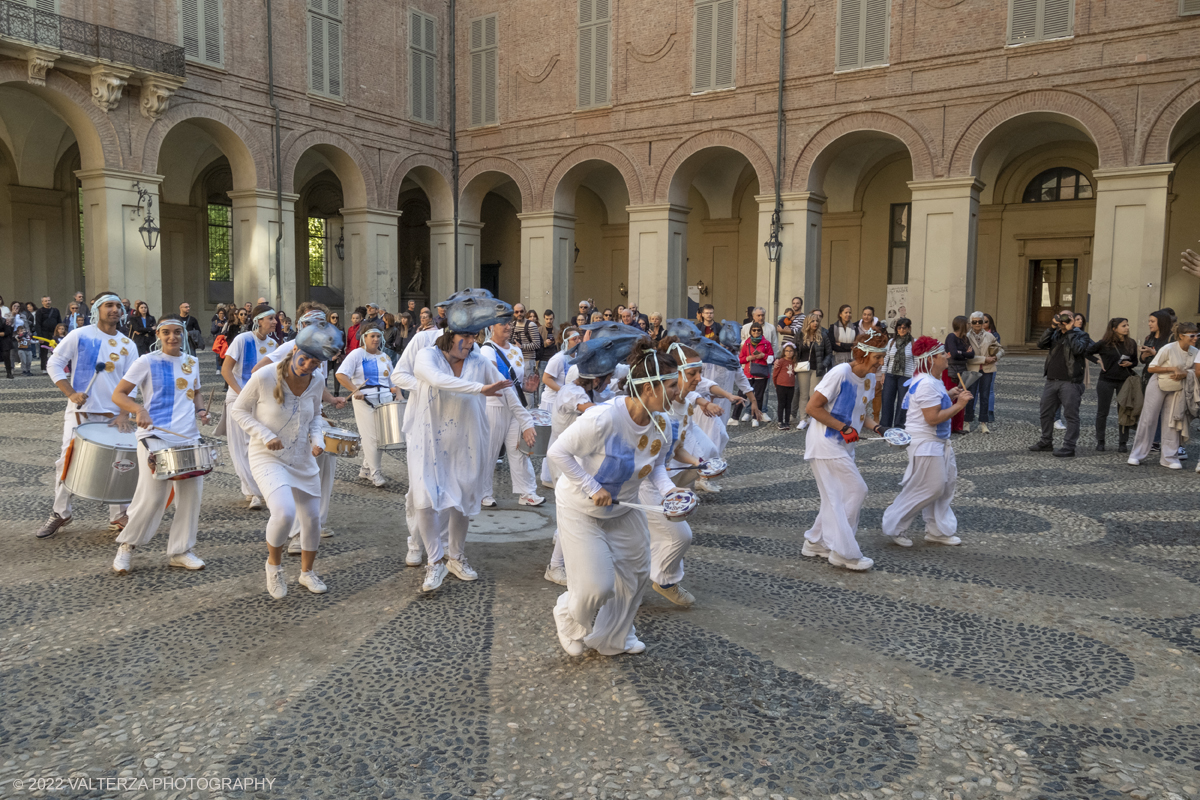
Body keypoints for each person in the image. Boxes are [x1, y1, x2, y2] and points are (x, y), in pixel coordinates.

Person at [548, 339, 692, 656]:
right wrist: (591, 486)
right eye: (670, 384)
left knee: (636, 576)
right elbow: (557, 451)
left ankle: (617, 634)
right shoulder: (603, 419)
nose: (677, 390)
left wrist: (670, 493)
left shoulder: (663, 423)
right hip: (580, 508)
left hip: (623, 510)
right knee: (595, 587)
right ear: (649, 388)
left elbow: (656, 468)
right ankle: (567, 616)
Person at [407, 302, 530, 593]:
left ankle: (456, 557)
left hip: (467, 440)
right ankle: (434, 562)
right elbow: (439, 380)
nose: (472, 342)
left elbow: (506, 387)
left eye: (475, 336)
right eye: (467, 336)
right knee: (424, 501)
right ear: (451, 335)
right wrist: (479, 389)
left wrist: (526, 421)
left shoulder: (479, 361)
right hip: (428, 440)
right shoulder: (427, 356)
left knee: (462, 501)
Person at [231, 322, 344, 599]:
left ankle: (307, 573)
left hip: (301, 457)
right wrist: (264, 433)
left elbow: (316, 415)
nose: (307, 365)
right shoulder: (265, 376)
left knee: (312, 520)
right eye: (303, 358)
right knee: (284, 512)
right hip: (267, 455)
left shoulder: (316, 381)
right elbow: (239, 410)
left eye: (314, 362)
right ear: (293, 350)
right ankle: (274, 567)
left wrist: (317, 440)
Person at [109, 317, 211, 573]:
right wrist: (138, 409)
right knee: (153, 497)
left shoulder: (191, 361)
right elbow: (119, 394)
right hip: (155, 436)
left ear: (183, 335)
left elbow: (196, 391)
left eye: (177, 332)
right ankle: (126, 546)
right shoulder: (147, 361)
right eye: (166, 332)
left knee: (190, 497)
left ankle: (180, 550)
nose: (172, 337)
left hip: (188, 436)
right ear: (158, 335)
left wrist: (201, 411)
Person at [36, 293, 137, 538]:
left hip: (115, 415)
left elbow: (132, 381)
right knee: (67, 461)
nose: (114, 310)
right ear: (97, 310)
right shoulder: (80, 335)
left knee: (119, 463)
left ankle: (119, 514)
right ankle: (61, 512)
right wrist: (70, 393)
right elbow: (55, 363)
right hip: (81, 412)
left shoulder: (128, 344)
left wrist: (124, 412)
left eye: (117, 306)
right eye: (108, 306)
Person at [253, 303, 347, 550]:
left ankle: (313, 525)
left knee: (321, 470)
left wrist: (329, 399)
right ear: (303, 325)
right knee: (294, 478)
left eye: (323, 323)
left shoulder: (323, 349)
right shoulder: (291, 346)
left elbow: (315, 383)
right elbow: (258, 371)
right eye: (315, 323)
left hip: (313, 417)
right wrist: (279, 405)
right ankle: (295, 534)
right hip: (289, 424)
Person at [801, 330, 888, 571]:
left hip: (844, 444)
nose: (881, 362)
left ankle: (815, 542)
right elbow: (812, 407)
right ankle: (842, 552)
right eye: (877, 357)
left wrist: (879, 427)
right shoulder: (840, 373)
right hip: (826, 443)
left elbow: (860, 413)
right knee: (856, 490)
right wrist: (843, 428)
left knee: (835, 497)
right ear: (862, 354)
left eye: (883, 357)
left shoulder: (868, 378)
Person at [880, 336, 973, 548]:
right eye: (942, 354)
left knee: (946, 485)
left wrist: (948, 394)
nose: (947, 355)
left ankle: (938, 530)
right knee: (931, 487)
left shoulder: (931, 381)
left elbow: (932, 406)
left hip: (937, 441)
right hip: (926, 442)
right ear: (931, 359)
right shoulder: (927, 384)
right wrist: (959, 405)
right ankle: (894, 524)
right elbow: (932, 418)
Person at [220, 303, 278, 508]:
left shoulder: (273, 344)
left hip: (260, 400)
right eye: (270, 318)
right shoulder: (242, 339)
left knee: (258, 443)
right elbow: (226, 371)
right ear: (258, 320)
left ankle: (259, 486)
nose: (275, 321)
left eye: (274, 318)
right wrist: (242, 393)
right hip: (237, 399)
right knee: (240, 447)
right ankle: (252, 491)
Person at [481, 319, 542, 507]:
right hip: (494, 406)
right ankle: (483, 492)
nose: (508, 327)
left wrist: (527, 388)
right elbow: (496, 379)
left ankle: (527, 493)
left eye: (509, 323)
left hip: (514, 408)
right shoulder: (486, 350)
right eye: (502, 324)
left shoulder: (516, 350)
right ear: (491, 326)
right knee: (490, 450)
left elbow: (515, 383)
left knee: (519, 450)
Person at [335, 322, 398, 487]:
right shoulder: (356, 354)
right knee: (371, 437)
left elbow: (393, 380)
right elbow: (341, 375)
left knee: (383, 437)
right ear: (364, 337)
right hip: (365, 400)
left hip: (385, 399)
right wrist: (355, 390)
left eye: (378, 336)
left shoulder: (385, 356)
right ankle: (375, 473)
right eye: (372, 336)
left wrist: (397, 394)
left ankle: (365, 469)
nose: (376, 339)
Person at [1127, 322, 1198, 469]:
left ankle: (1169, 457)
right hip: (1158, 383)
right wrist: (1173, 368)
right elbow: (1152, 368)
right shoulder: (1169, 348)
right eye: (1192, 335)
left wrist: (1185, 373)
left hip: (1178, 387)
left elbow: (1193, 371)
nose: (1195, 338)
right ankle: (1136, 454)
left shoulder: (1195, 351)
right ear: (1181, 336)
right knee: (1149, 418)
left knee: (1172, 420)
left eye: (1197, 335)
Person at [1029, 311, 1093, 458]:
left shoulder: (1081, 335)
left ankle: (1069, 446)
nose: (1063, 319)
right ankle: (1046, 441)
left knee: (1071, 415)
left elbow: (1078, 350)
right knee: (1045, 412)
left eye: (1067, 317)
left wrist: (1070, 330)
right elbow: (1040, 344)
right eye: (1060, 316)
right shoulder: (1055, 334)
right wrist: (1052, 327)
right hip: (1051, 381)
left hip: (1070, 382)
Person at [1088, 318, 1139, 453]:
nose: (1127, 328)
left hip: (1124, 381)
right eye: (1123, 325)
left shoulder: (1131, 343)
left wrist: (1130, 364)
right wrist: (1097, 360)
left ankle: (1123, 442)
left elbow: (1135, 361)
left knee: (1124, 412)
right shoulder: (1104, 343)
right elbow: (1086, 352)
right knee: (1102, 412)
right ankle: (1100, 441)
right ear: (1114, 328)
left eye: (1128, 325)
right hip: (1106, 380)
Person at [965, 311, 1000, 433]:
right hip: (972, 369)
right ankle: (967, 422)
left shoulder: (989, 336)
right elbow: (967, 356)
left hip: (987, 370)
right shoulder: (967, 337)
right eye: (974, 322)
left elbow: (1000, 349)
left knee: (985, 396)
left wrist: (996, 357)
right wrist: (985, 359)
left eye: (980, 321)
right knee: (970, 396)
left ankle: (983, 423)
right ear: (970, 323)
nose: (977, 324)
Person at [880, 317, 914, 429]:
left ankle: (899, 427)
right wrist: (883, 373)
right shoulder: (891, 342)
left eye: (905, 327)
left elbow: (917, 360)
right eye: (899, 327)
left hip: (906, 376)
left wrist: (915, 377)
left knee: (902, 403)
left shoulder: (913, 343)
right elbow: (886, 359)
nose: (902, 330)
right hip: (890, 374)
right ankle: (885, 427)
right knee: (887, 401)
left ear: (909, 328)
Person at [739, 322, 773, 427]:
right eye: (754, 330)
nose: (756, 332)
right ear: (750, 332)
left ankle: (756, 418)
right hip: (748, 372)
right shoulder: (746, 343)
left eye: (758, 330)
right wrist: (748, 358)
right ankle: (745, 413)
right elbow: (740, 359)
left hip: (761, 372)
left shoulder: (766, 343)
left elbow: (772, 358)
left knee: (759, 396)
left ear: (761, 331)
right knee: (744, 394)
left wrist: (764, 355)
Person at [773, 342, 797, 429]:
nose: (789, 352)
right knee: (781, 404)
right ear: (784, 352)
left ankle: (787, 421)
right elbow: (775, 374)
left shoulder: (795, 362)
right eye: (787, 351)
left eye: (791, 351)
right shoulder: (781, 361)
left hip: (791, 386)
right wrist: (776, 385)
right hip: (781, 385)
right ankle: (780, 421)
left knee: (788, 404)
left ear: (794, 352)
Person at [35, 296, 61, 372]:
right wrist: (40, 336)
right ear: (42, 302)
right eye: (45, 301)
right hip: (44, 333)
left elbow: (59, 321)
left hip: (54, 333)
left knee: (56, 350)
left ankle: (56, 366)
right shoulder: (39, 311)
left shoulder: (56, 310)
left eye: (48, 300)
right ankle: (44, 367)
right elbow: (38, 324)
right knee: (44, 351)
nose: (47, 302)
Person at [0, 313, 13, 379]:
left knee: (6, 357)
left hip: (5, 342)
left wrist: (3, 334)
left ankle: (9, 373)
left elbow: (8, 332)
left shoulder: (5, 321)